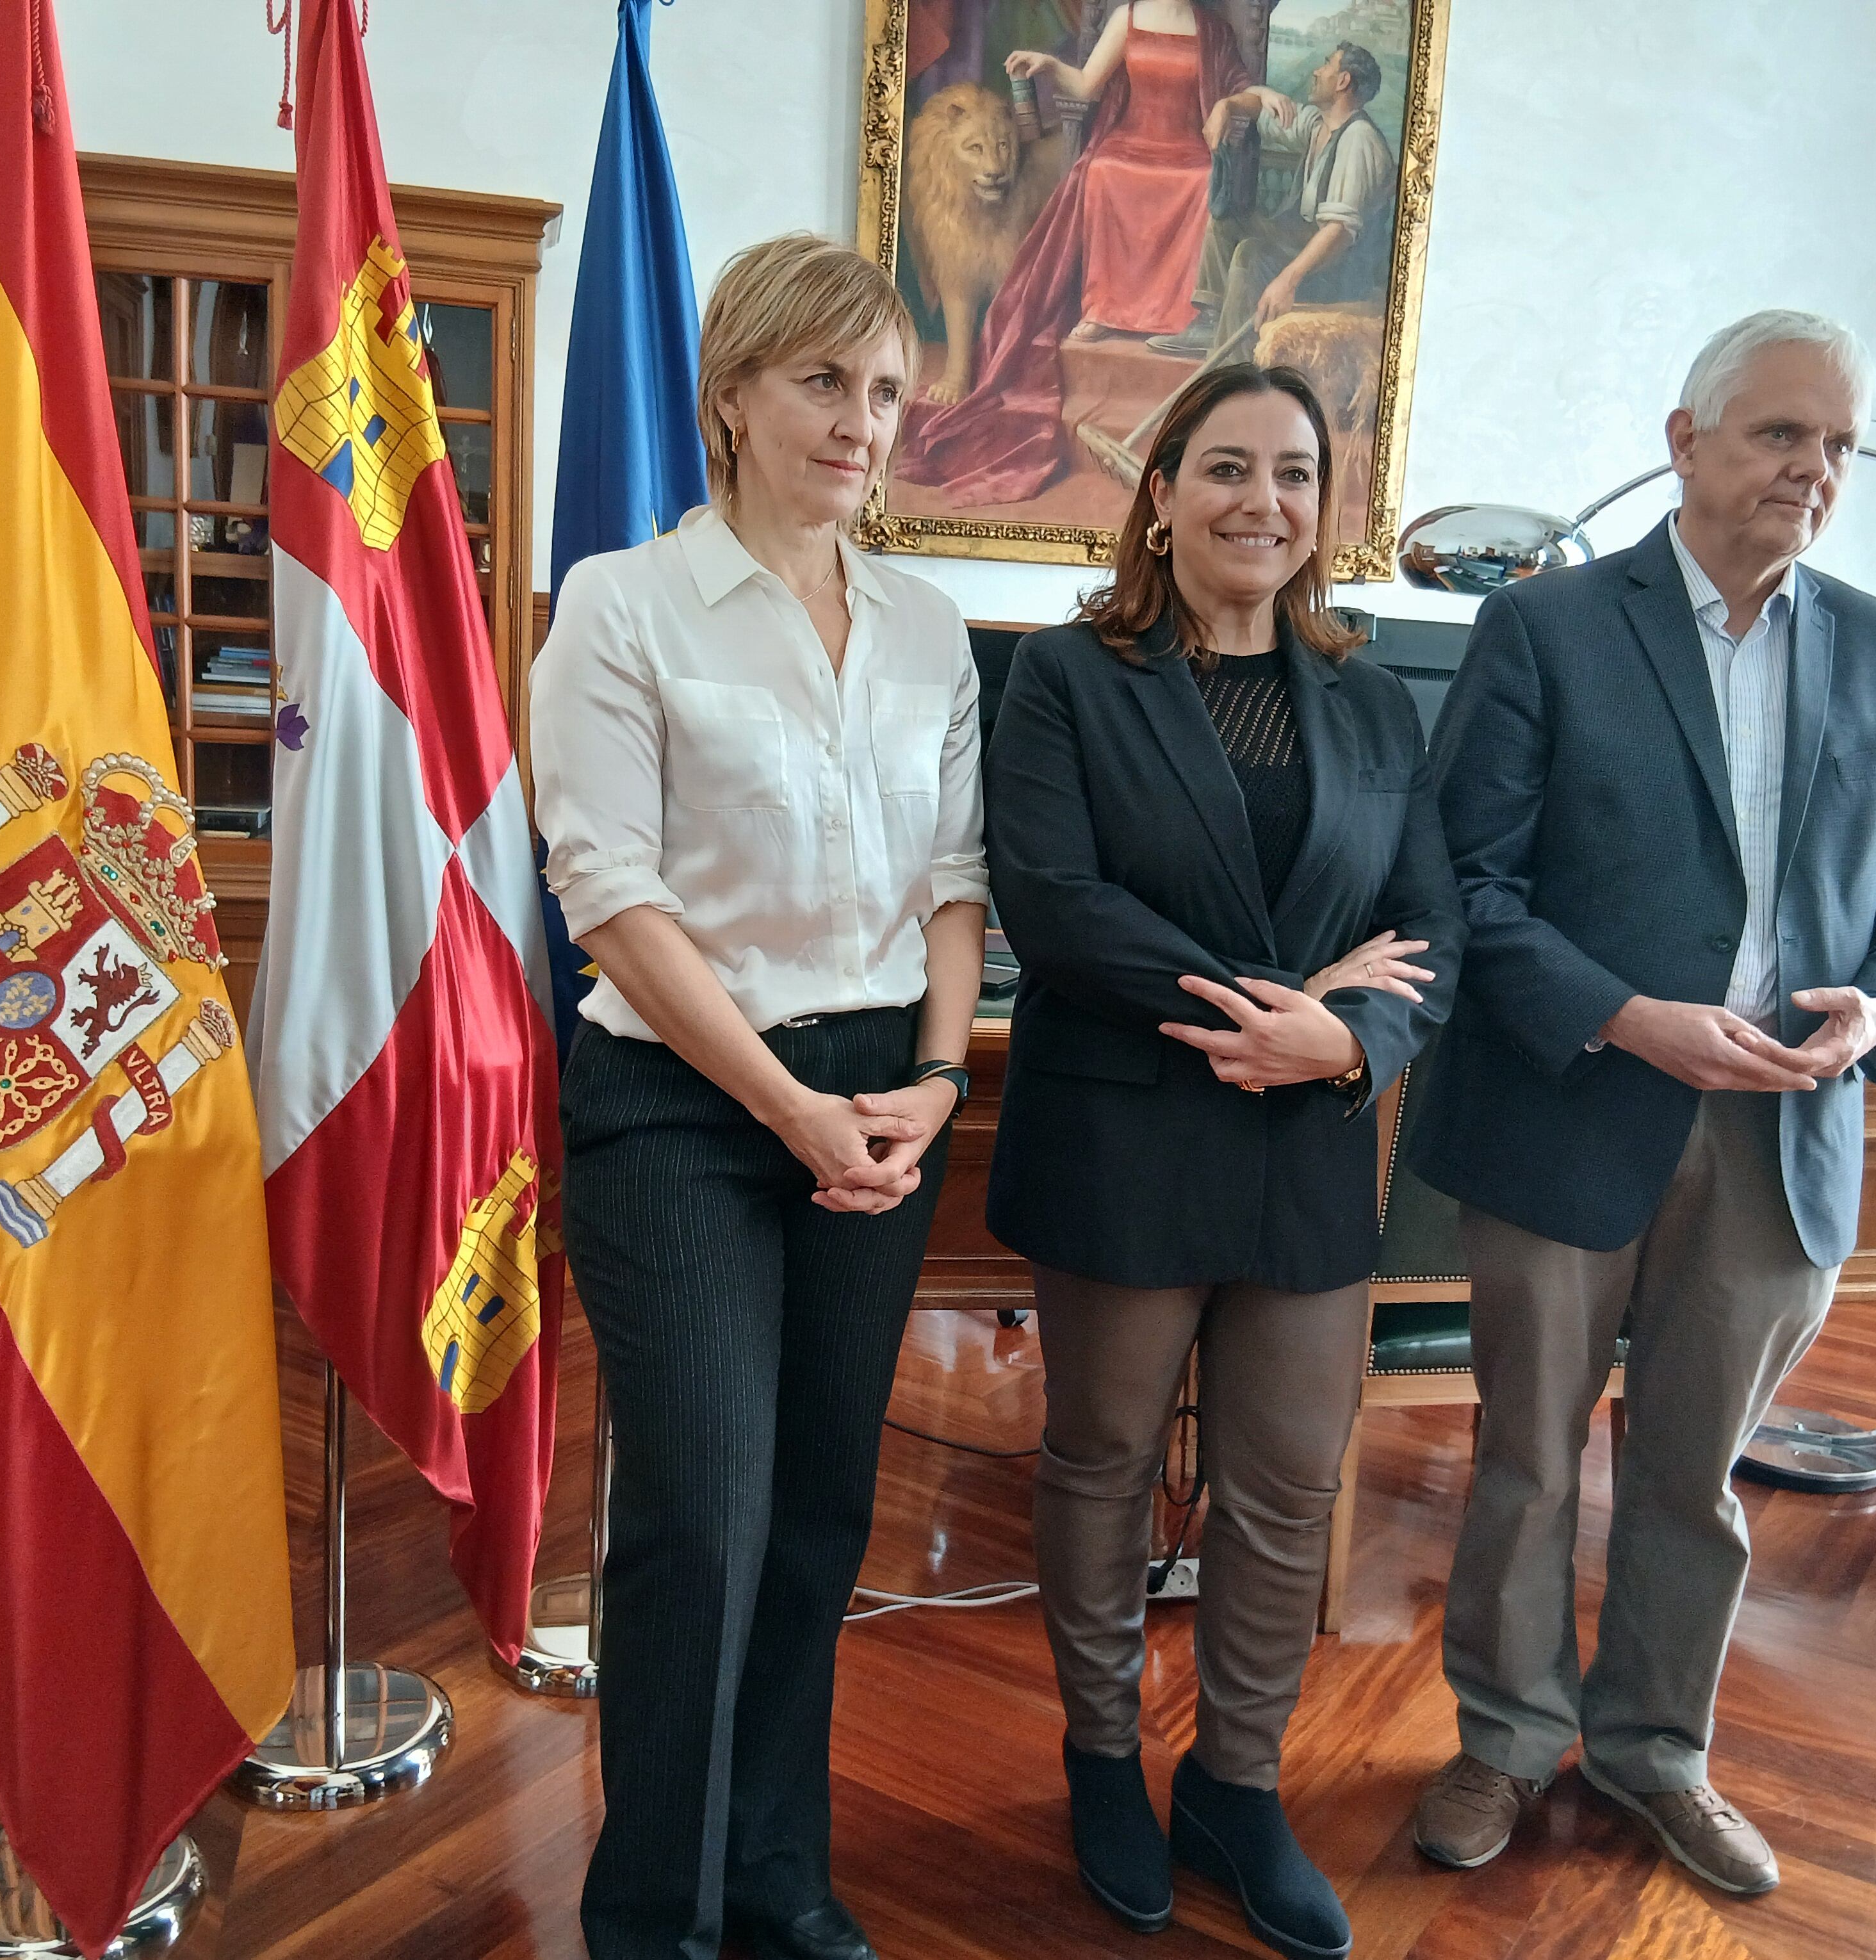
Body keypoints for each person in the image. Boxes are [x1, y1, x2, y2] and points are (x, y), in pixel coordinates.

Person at [1408, 311, 1876, 1895]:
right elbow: (1465, 880)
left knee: (1692, 1479)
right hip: (1569, 1108)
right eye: (1778, 434)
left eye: (1839, 445)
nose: (1811, 469)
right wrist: (1620, 1017)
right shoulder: (1546, 631)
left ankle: (1655, 1751)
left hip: (1781, 1133)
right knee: (1525, 1461)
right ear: (1685, 440)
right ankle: (1503, 1742)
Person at [532, 233, 989, 1960]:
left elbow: (956, 881)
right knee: (700, 1518)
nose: (862, 420)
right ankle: (654, 1911)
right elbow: (613, 898)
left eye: (884, 389)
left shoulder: (931, 628)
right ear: (732, 395)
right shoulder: (624, 605)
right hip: (681, 1103)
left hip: (885, 1093)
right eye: (824, 382)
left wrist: (936, 1081)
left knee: (816, 1519)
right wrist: (790, 1110)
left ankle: (778, 1876)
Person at [984, 362, 1464, 1960]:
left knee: (1284, 1483)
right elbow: (1051, 903)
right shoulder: (1067, 676)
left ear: (1326, 511)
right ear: (1160, 491)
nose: (1261, 500)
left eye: (1294, 474)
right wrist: (1274, 1009)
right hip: (1128, 1129)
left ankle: (1237, 1784)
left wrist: (1348, 1043)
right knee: (1101, 1462)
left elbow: (1429, 933)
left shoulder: (1372, 696)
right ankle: (1103, 1758)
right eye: (1226, 468)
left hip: (1308, 1144)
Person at [899, 0, 1252, 505]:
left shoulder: (1211, 30)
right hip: (1130, 141)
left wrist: (1229, 106)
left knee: (1199, 182)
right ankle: (1106, 308)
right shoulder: (1127, 18)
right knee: (1104, 171)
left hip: (1188, 146)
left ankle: (1179, 311)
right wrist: (1048, 66)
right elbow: (1087, 85)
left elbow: (1242, 88)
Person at [1150, 42, 1396, 359]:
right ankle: (1210, 324)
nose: (1316, 72)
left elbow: (1339, 232)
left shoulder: (1359, 139)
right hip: (1308, 243)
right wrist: (1226, 105)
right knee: (1227, 221)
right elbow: (1257, 108)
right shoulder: (1316, 125)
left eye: (1326, 65)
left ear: (1343, 82)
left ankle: (1230, 364)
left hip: (1339, 272)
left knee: (1251, 255)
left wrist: (1287, 281)